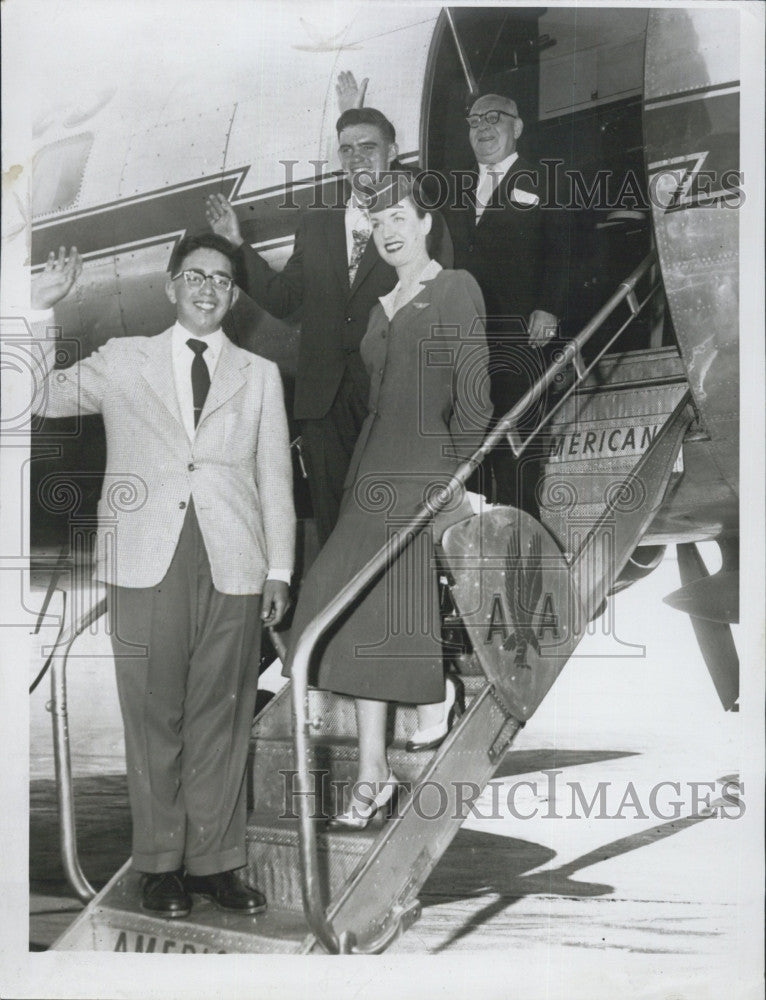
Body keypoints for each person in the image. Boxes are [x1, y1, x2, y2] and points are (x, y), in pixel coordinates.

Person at [30, 236, 295, 918]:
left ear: (233, 297)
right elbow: (30, 397)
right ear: (172, 286)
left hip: (233, 558)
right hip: (146, 556)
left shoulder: (259, 372)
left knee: (223, 714)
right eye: (196, 276)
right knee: (154, 715)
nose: (209, 288)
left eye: (223, 280)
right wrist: (40, 312)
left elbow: (273, 478)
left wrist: (280, 568)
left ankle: (216, 865)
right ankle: (160, 866)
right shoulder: (123, 359)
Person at [284, 175, 491, 829]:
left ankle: (434, 697)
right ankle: (373, 776)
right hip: (369, 476)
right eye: (379, 225)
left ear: (426, 222)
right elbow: (376, 401)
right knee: (348, 614)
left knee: (360, 609)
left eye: (400, 217)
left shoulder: (454, 288)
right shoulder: (379, 305)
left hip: (421, 471)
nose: (391, 231)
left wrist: (454, 472)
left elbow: (476, 391)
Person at [205, 105, 452, 544]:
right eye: (347, 150)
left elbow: (437, 308)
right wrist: (235, 245)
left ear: (393, 152)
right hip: (323, 401)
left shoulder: (420, 221)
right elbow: (283, 300)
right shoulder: (316, 224)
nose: (357, 158)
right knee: (337, 527)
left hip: (389, 393)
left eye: (368, 147)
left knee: (397, 522)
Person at [445, 92, 570, 515]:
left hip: (520, 340)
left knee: (518, 457)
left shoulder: (547, 180)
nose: (482, 127)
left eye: (494, 118)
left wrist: (549, 306)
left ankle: (522, 557)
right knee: (470, 458)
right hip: (466, 344)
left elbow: (564, 249)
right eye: (474, 120)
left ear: (517, 128)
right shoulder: (455, 188)